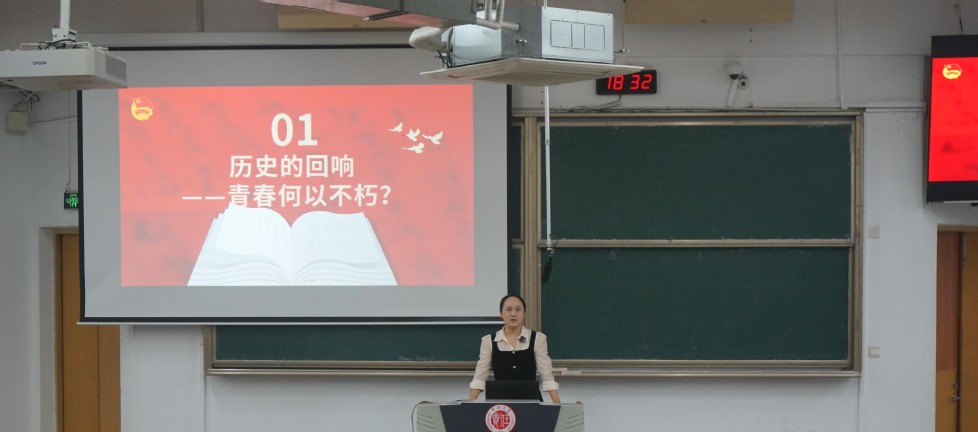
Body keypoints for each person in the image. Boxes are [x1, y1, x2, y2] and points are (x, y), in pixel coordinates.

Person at [468, 294, 560, 403]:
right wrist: (469, 405)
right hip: (499, 404)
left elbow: (546, 374)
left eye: (518, 309)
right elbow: (480, 376)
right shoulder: (489, 340)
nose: (513, 314)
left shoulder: (537, 338)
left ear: (524, 313)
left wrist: (558, 404)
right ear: (501, 313)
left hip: (530, 400)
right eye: (508, 309)